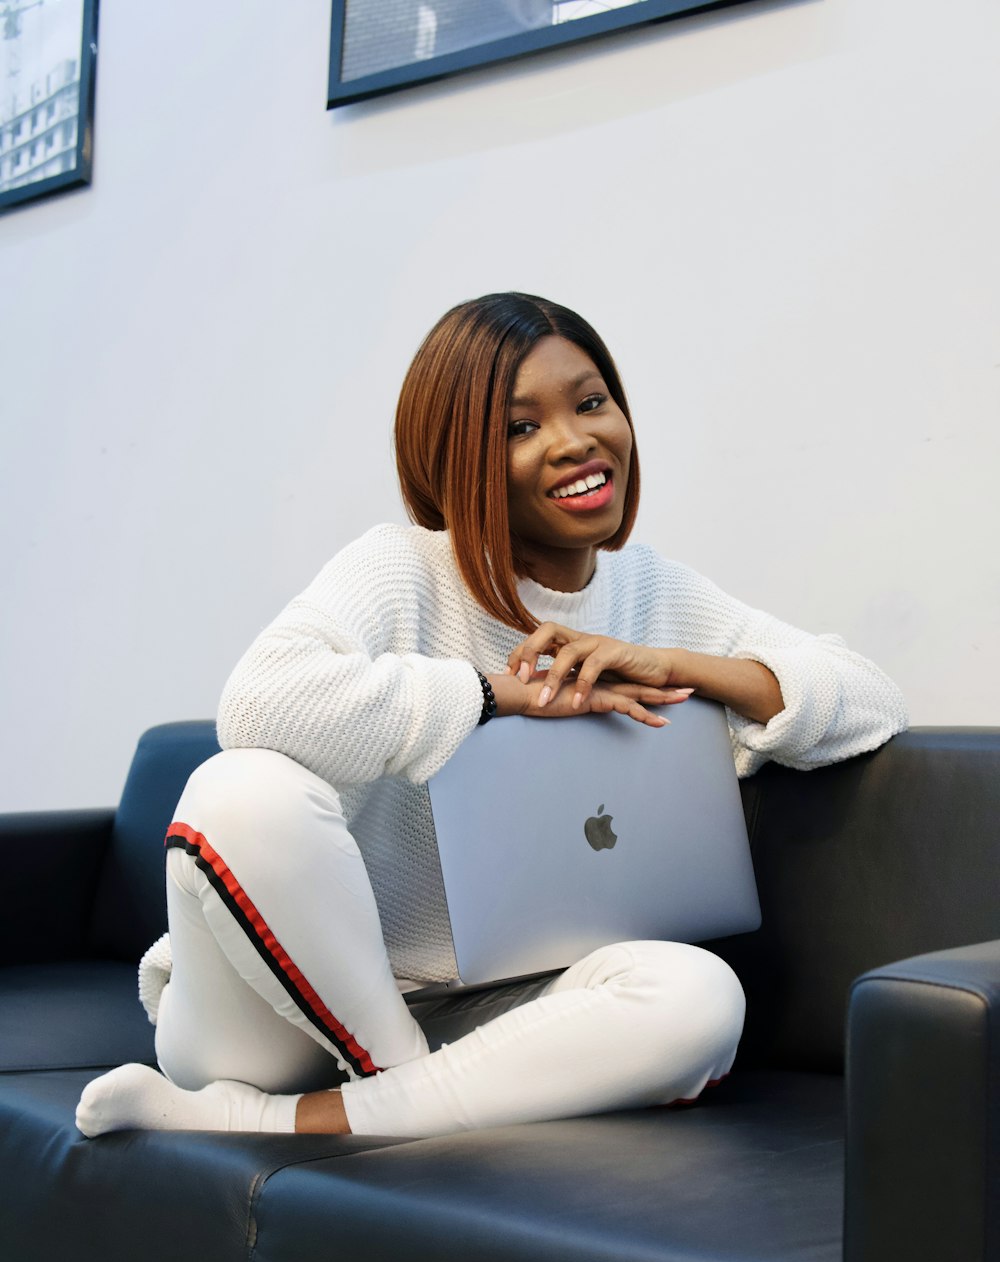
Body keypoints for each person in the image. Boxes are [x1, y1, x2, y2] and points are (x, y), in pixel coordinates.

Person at [76, 292, 908, 1141]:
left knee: (699, 995)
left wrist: (680, 665)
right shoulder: (401, 568)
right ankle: (383, 1084)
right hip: (271, 1019)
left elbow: (871, 697)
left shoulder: (653, 591)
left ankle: (307, 1118)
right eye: (521, 428)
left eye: (592, 403)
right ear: (457, 456)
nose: (577, 440)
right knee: (238, 787)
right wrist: (490, 695)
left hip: (499, 1013)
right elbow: (260, 701)